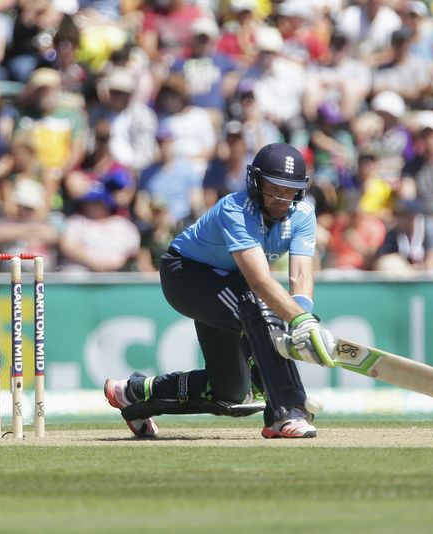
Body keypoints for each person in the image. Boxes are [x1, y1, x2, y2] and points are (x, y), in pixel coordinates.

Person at [104, 143, 336, 439]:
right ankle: (286, 412)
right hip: (187, 275)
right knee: (263, 311)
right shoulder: (236, 208)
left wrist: (301, 322)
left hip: (228, 284)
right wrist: (300, 320)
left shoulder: (303, 214)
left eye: (289, 190)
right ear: (256, 181)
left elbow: (302, 273)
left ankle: (133, 392)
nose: (281, 198)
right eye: (273, 187)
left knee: (230, 392)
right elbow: (259, 281)